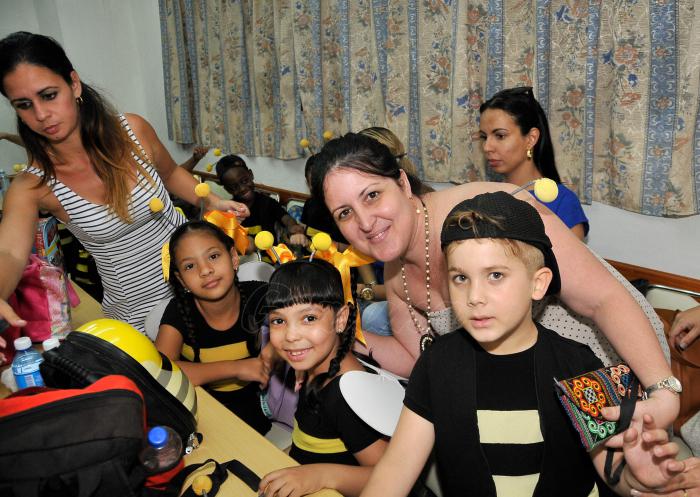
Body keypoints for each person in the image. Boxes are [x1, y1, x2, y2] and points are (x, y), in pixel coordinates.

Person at [308, 132, 678, 428]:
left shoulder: (486, 211)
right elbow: (413, 358)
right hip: (536, 391)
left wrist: (661, 389)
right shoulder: (396, 273)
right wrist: (335, 332)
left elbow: (602, 299)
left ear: (402, 183)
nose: (365, 222)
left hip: (609, 358)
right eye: (345, 213)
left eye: (373, 196)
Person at [360, 192, 683, 497]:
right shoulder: (437, 365)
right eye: (461, 278)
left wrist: (635, 479)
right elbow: (396, 469)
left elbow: (612, 471)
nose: (475, 297)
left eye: (495, 276)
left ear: (538, 283)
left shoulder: (579, 365)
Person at [0, 31, 249, 339]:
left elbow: (171, 174)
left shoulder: (133, 131)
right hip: (138, 315)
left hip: (199, 288)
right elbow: (9, 252)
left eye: (49, 95)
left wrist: (211, 200)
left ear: (74, 84)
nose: (41, 114)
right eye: (24, 104)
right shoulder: (33, 186)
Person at [258, 260, 387, 497]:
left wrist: (319, 475)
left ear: (340, 319)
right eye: (279, 321)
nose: (291, 336)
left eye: (309, 318)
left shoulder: (348, 397)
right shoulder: (312, 361)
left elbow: (390, 477)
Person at [155, 220, 271, 434]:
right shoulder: (179, 311)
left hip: (263, 409)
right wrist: (236, 368)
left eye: (214, 256)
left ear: (233, 257)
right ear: (181, 279)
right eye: (190, 266)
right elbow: (161, 372)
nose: (205, 270)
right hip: (202, 415)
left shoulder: (260, 295)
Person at [479, 86, 589, 239]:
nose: (487, 147)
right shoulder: (486, 197)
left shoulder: (562, 203)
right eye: (484, 137)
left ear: (531, 139)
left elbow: (570, 255)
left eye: (500, 136)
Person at [216, 154, 307, 252]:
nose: (242, 188)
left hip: (271, 256)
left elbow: (287, 219)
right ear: (228, 189)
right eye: (234, 187)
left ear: (250, 174)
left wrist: (293, 227)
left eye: (245, 181)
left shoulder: (268, 203)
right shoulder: (229, 211)